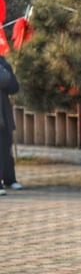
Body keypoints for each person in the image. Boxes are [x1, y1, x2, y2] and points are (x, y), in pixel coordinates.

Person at [0, 55, 21, 195]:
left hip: (3, 113)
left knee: (5, 148)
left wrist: (5, 71)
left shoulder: (3, 63)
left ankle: (9, 179)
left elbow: (14, 87)